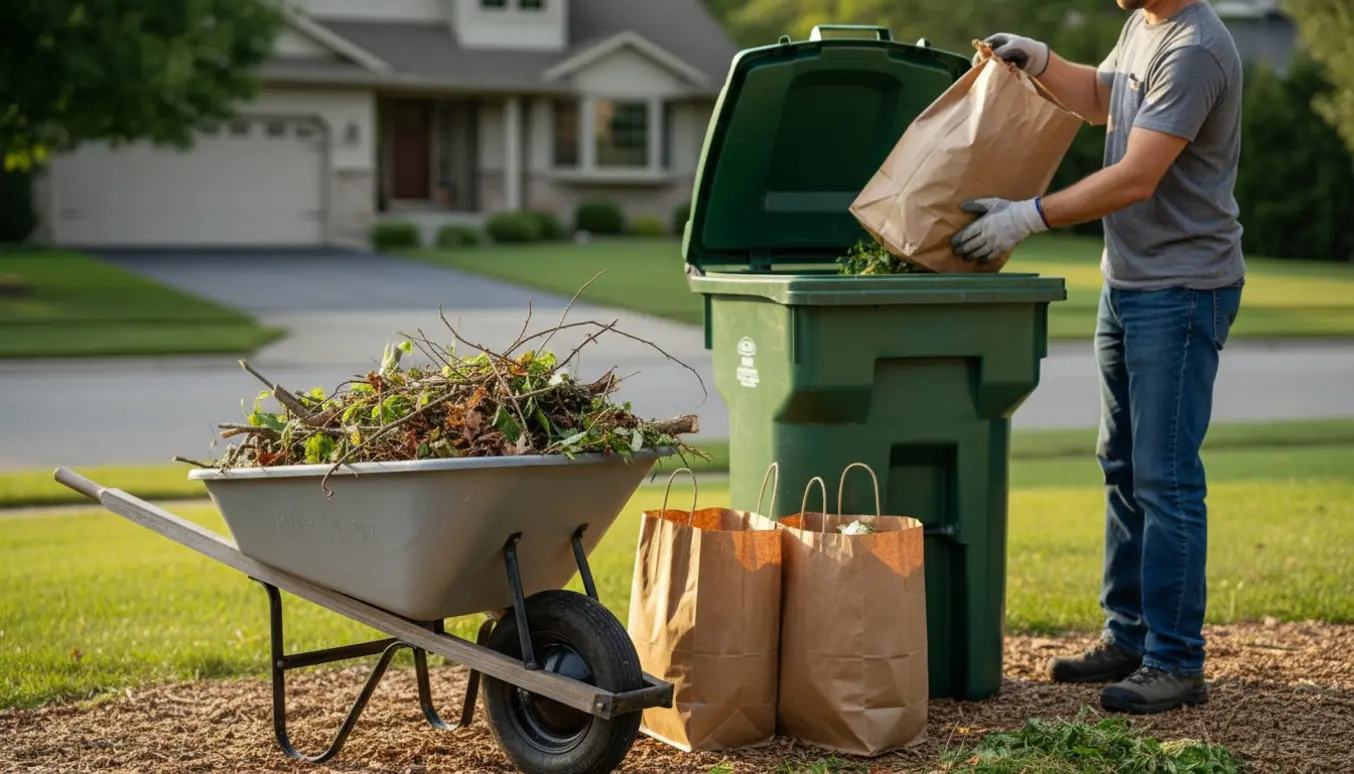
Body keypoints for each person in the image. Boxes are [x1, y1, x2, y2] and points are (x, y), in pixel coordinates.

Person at [953, 0, 1247, 715]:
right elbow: (1101, 98)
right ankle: (1130, 637)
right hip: (1129, 284)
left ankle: (1175, 661)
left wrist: (1027, 216)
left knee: (1165, 478)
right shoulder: (1144, 25)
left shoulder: (1195, 48)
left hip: (1181, 290)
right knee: (1122, 466)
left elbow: (1136, 176)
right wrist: (1043, 60)